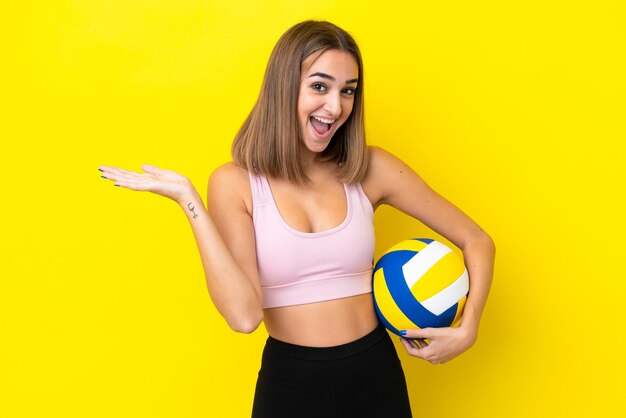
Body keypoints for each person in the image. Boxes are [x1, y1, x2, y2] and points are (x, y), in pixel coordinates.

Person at [99, 20, 495, 418]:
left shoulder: (371, 168)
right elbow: (244, 317)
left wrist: (470, 327)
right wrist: (189, 202)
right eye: (319, 86)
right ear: (284, 87)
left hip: (376, 376)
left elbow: (477, 240)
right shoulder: (234, 183)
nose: (336, 106)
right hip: (289, 385)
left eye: (348, 91)